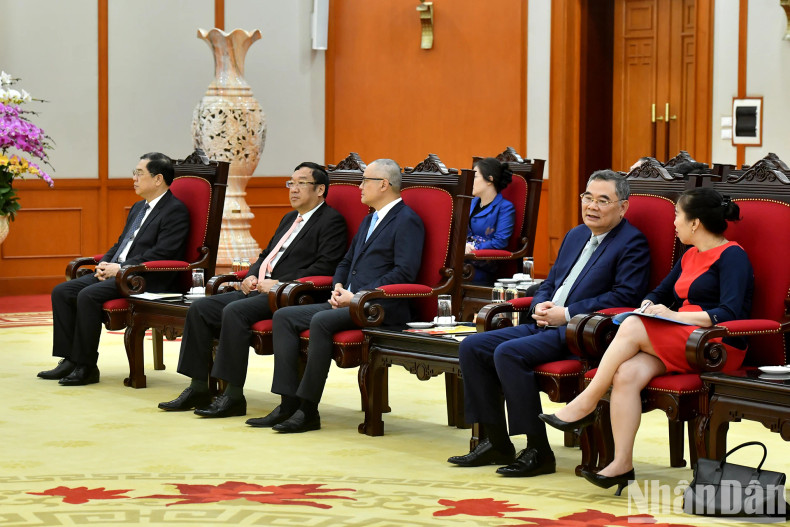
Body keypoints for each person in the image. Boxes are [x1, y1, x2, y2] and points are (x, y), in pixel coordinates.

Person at [541, 187, 753, 494]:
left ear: (695, 223)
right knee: (626, 373)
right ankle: (621, 464)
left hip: (716, 344)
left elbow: (730, 312)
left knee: (634, 326)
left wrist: (671, 316)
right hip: (679, 339)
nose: (674, 223)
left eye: (678, 216)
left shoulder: (733, 256)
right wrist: (650, 307)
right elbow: (659, 292)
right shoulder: (690, 255)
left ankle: (586, 401)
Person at [447, 170, 650, 477]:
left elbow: (626, 296)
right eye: (588, 198)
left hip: (582, 332)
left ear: (622, 207)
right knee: (473, 346)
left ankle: (538, 450)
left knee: (509, 353)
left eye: (603, 200)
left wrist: (566, 313)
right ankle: (496, 442)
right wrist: (542, 301)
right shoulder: (576, 234)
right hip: (546, 322)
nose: (592, 206)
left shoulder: (632, 243)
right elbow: (550, 280)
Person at [245, 158, 425, 433]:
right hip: (350, 300)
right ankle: (287, 403)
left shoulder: (407, 220)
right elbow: (345, 261)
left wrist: (357, 296)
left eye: (365, 181)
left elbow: (404, 273)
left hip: (380, 306)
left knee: (320, 321)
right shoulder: (369, 219)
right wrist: (339, 287)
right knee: (283, 317)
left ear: (384, 184)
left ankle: (307, 410)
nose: (360, 187)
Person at [158, 162, 348, 417]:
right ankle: (198, 386)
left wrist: (280, 283)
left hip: (291, 295)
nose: (293, 189)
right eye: (291, 183)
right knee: (201, 307)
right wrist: (250, 276)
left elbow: (325, 266)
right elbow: (266, 255)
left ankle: (233, 395)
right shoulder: (290, 218)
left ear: (320, 190)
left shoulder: (332, 221)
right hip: (261, 288)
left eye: (301, 183)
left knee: (236, 312)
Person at [39, 152, 190, 386]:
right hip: (122, 273)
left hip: (146, 278)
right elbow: (121, 243)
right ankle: (69, 359)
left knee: (87, 295)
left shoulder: (175, 211)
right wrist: (104, 264)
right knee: (62, 291)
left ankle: (86, 366)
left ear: (158, 179)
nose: (134, 178)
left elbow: (163, 254)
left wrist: (119, 268)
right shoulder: (139, 207)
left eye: (139, 174)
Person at [465, 157, 516, 284]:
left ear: (490, 180)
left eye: (475, 176)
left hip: (484, 263)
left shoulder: (505, 207)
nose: (471, 180)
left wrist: (474, 247)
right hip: (463, 257)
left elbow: (500, 241)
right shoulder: (471, 203)